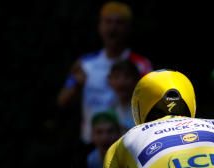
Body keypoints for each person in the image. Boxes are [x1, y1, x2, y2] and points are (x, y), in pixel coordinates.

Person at [56, 2, 151, 144]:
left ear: (128, 28)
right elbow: (62, 101)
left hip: (129, 143)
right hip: (92, 142)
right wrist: (76, 85)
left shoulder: (140, 65)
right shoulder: (84, 64)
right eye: (108, 22)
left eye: (119, 23)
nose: (113, 28)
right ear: (100, 26)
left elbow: (151, 104)